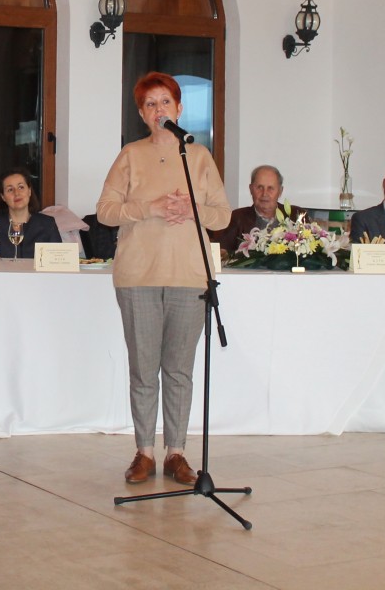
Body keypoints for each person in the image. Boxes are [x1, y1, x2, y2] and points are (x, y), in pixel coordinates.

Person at [96, 72, 230, 488]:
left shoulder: (198, 156)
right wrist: (149, 208)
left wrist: (192, 210)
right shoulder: (130, 155)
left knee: (179, 370)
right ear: (141, 113)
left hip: (189, 276)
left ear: (179, 108)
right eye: (150, 104)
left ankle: (176, 452)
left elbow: (222, 216)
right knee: (143, 369)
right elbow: (105, 211)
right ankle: (144, 452)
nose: (159, 110)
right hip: (138, 276)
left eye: (165, 102)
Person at [207, 165, 302, 256]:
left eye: (270, 188)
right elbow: (221, 253)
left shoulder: (297, 215)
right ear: (251, 189)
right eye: (259, 187)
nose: (264, 194)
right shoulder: (237, 217)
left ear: (280, 191)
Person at [0, 168, 61, 259]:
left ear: (29, 191)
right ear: (3, 197)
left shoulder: (48, 224)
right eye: (10, 190)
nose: (17, 193)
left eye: (21, 187)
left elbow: (58, 261)